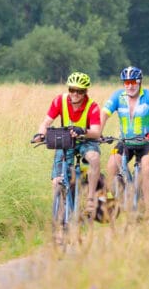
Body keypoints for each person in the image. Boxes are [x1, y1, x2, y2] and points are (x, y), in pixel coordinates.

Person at [32, 72, 103, 216]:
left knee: (94, 158)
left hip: (86, 141)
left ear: (86, 92)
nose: (75, 94)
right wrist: (40, 134)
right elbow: (46, 122)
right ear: (68, 89)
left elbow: (96, 132)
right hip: (66, 141)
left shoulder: (93, 106)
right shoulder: (59, 101)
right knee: (57, 181)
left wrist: (82, 130)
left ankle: (90, 200)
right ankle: (62, 216)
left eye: (80, 91)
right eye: (72, 90)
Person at [100, 65, 149, 210]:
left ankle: (148, 210)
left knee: (146, 170)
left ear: (140, 82)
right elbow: (104, 114)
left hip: (148, 142)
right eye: (126, 82)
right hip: (126, 142)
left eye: (133, 82)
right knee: (111, 167)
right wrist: (99, 133)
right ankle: (110, 203)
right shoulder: (117, 96)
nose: (130, 86)